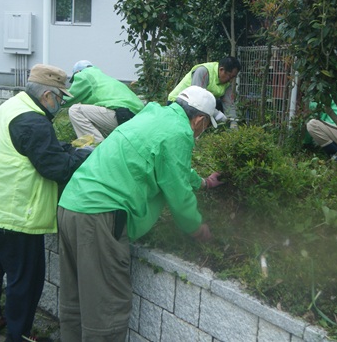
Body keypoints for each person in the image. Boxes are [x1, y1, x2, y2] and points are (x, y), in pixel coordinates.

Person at [57, 85, 224, 341]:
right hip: (100, 217)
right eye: (206, 126)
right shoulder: (179, 132)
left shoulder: (154, 115)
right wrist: (197, 227)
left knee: (75, 300)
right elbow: (178, 193)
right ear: (199, 120)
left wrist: (202, 182)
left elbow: (173, 168)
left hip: (71, 205)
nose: (203, 131)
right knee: (107, 308)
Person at [0, 64, 91, 342]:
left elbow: (30, 148)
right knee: (25, 279)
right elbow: (56, 168)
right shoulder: (34, 121)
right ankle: (19, 335)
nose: (62, 104)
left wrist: (66, 148)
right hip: (13, 213)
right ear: (47, 96)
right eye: (61, 98)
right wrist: (84, 155)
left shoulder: (13, 106)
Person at [65, 60, 145, 143]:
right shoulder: (107, 79)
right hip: (138, 119)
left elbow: (69, 97)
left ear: (77, 72)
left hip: (121, 114)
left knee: (75, 110)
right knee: (93, 122)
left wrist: (58, 98)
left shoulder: (84, 74)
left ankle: (94, 148)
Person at [167, 56, 241, 128]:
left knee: (218, 105)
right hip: (178, 102)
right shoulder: (203, 71)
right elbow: (198, 100)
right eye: (230, 76)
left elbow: (229, 103)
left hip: (196, 104)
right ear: (221, 70)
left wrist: (233, 123)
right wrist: (216, 114)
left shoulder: (227, 83)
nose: (231, 80)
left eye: (233, 77)